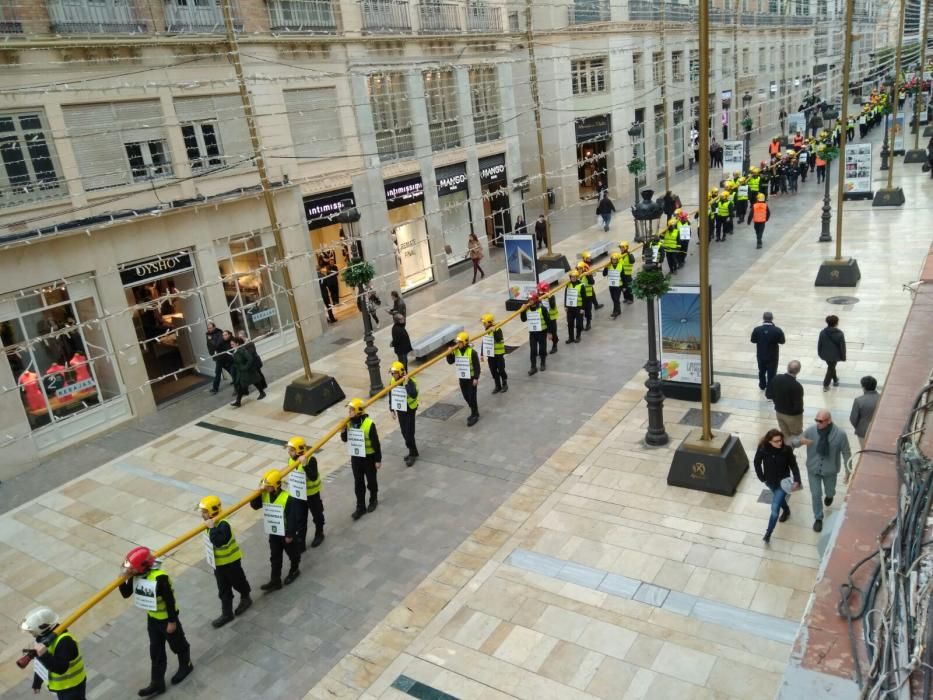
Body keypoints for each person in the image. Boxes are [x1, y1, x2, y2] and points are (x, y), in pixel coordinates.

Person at [119, 546, 193, 696]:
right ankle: (157, 683)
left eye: (132, 568)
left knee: (178, 645)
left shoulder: (160, 578)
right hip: (153, 620)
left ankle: (186, 665)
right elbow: (126, 594)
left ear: (142, 567)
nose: (130, 570)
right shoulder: (137, 575)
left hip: (167, 620)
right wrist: (122, 579)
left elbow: (170, 601)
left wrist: (172, 622)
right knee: (156, 651)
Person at [789, 411, 853, 532]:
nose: (817, 423)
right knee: (816, 494)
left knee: (830, 491)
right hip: (813, 469)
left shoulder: (840, 434)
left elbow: (846, 452)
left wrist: (848, 470)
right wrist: (800, 442)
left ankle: (830, 496)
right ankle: (818, 518)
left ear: (829, 420)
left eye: (820, 421)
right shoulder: (811, 431)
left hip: (830, 471)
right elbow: (795, 442)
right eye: (816, 420)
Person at [198, 495, 252, 629]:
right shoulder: (211, 523)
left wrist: (211, 528)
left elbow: (219, 541)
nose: (202, 514)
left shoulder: (223, 524)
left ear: (212, 511)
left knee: (238, 582)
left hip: (231, 562)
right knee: (223, 589)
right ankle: (226, 613)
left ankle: (246, 597)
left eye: (204, 511)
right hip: (219, 564)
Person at [249, 469, 305, 587]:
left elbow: (292, 518)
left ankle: (294, 570)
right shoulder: (265, 495)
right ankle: (275, 580)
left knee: (293, 554)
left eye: (268, 486)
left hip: (286, 532)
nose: (266, 488)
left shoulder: (287, 498)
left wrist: (289, 534)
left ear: (276, 486)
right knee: (275, 556)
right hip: (274, 532)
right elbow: (254, 506)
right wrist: (258, 492)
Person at [21, 607, 86, 700]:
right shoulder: (41, 639)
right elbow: (41, 665)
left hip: (72, 687)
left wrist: (44, 655)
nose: (31, 633)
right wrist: (37, 682)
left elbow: (61, 668)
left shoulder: (65, 642)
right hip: (63, 687)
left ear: (42, 628)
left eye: (32, 631)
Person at [753, 429, 802, 543]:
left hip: (783, 483)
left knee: (775, 508)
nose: (780, 443)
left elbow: (794, 466)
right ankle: (786, 509)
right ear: (769, 441)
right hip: (769, 481)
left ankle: (768, 532)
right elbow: (756, 462)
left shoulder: (786, 450)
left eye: (780, 440)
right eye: (776, 441)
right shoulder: (763, 449)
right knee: (778, 499)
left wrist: (797, 480)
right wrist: (762, 477)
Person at [340, 398, 382, 516]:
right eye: (349, 410)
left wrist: (378, 460)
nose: (349, 413)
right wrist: (343, 431)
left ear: (359, 411)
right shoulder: (349, 423)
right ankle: (360, 506)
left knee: (371, 481)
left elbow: (376, 443)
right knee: (358, 483)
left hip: (369, 458)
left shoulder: (369, 424)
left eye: (351, 410)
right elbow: (345, 439)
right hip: (356, 458)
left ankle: (373, 499)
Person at [285, 436, 325, 549]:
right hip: (299, 496)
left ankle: (319, 534)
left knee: (317, 515)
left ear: (299, 450)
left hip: (312, 494)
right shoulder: (290, 460)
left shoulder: (311, 459)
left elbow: (313, 477)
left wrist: (305, 465)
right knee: (300, 519)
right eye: (289, 450)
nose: (289, 452)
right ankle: (301, 542)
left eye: (291, 450)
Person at [388, 361, 420, 466]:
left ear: (401, 372)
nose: (393, 375)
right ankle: (413, 451)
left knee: (409, 433)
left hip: (410, 410)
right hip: (400, 410)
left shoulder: (410, 380)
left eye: (395, 373)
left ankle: (412, 454)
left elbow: (413, 394)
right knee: (404, 431)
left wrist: (406, 384)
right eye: (392, 373)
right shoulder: (393, 381)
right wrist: (392, 409)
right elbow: (391, 395)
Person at [446, 332, 481, 425]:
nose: (458, 344)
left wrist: (476, 378)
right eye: (457, 342)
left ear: (465, 342)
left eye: (460, 342)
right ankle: (474, 411)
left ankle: (475, 414)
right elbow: (450, 361)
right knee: (466, 396)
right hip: (462, 378)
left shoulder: (472, 352)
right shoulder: (456, 351)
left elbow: (477, 366)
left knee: (472, 397)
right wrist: (449, 354)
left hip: (471, 378)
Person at [768, 360, 804, 438]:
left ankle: (786, 449)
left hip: (779, 412)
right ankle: (789, 449)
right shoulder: (797, 386)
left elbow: (770, 394)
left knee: (785, 435)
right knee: (796, 437)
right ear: (798, 371)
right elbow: (798, 406)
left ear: (787, 367)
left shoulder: (776, 378)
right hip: (792, 417)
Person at [750, 312, 785, 391]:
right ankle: (770, 388)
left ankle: (762, 385)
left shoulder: (757, 329)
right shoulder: (777, 330)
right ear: (772, 319)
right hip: (773, 356)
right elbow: (782, 341)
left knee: (761, 371)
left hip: (761, 355)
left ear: (763, 318)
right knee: (772, 373)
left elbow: (753, 340)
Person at [230, 336, 265, 407]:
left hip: (248, 371)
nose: (231, 345)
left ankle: (262, 393)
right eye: (231, 344)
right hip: (242, 372)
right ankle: (238, 401)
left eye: (232, 344)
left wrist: (245, 367)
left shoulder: (242, 350)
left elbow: (250, 359)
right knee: (241, 386)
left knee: (255, 382)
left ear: (237, 343)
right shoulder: (235, 351)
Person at [520, 293, 549, 376]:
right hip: (532, 333)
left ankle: (543, 363)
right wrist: (522, 310)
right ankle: (533, 367)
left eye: (531, 300)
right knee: (533, 350)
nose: (529, 301)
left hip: (542, 332)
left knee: (542, 349)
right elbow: (523, 319)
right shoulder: (527, 309)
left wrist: (550, 332)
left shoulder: (542, 309)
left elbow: (548, 320)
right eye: (529, 300)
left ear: (535, 300)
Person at [817, 314, 846, 391]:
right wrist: (843, 357)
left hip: (825, 354)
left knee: (831, 367)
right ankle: (826, 385)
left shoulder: (823, 332)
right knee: (831, 368)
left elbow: (820, 344)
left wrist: (820, 353)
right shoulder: (840, 334)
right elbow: (842, 347)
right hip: (835, 356)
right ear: (836, 323)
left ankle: (835, 380)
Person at [481, 313, 508, 393]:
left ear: (489, 322)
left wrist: (494, 331)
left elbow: (498, 339)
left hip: (499, 354)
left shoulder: (497, 329)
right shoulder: (486, 331)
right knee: (493, 370)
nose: (483, 324)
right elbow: (484, 341)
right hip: (491, 355)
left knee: (501, 370)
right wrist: (482, 353)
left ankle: (504, 384)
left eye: (484, 323)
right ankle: (497, 385)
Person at [849, 376, 880, 447]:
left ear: (863, 387)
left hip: (863, 432)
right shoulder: (882, 398)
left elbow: (853, 419)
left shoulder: (859, 400)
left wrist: (860, 427)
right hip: (879, 431)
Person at [206, 321, 232, 394]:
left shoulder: (219, 333)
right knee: (229, 368)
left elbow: (217, 345)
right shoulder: (208, 334)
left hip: (221, 355)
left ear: (214, 327)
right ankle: (237, 379)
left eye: (210, 328)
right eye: (208, 328)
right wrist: (211, 353)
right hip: (216, 355)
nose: (209, 329)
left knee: (217, 372)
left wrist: (210, 339)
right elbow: (209, 345)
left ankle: (215, 388)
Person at [564, 268, 585, 343]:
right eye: (572, 277)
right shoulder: (568, 285)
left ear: (577, 277)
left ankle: (578, 336)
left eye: (574, 277)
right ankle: (571, 337)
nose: (573, 278)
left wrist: (583, 308)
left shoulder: (581, 285)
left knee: (579, 323)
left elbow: (584, 298)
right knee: (570, 323)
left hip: (578, 308)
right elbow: (566, 295)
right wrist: (565, 306)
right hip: (570, 308)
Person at [603, 251, 626, 318]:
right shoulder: (609, 266)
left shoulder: (620, 266)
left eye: (615, 259)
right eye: (613, 259)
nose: (614, 260)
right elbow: (604, 274)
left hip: (618, 285)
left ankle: (615, 312)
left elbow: (623, 277)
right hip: (611, 285)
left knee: (616, 299)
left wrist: (624, 287)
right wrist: (606, 267)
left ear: (617, 260)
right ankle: (618, 310)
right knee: (614, 299)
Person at [617, 241, 636, 305]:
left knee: (629, 287)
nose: (621, 249)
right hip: (622, 274)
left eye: (622, 247)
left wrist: (628, 254)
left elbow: (632, 261)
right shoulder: (620, 255)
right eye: (620, 247)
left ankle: (631, 299)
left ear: (626, 247)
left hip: (628, 274)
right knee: (623, 287)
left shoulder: (630, 255)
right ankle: (626, 298)